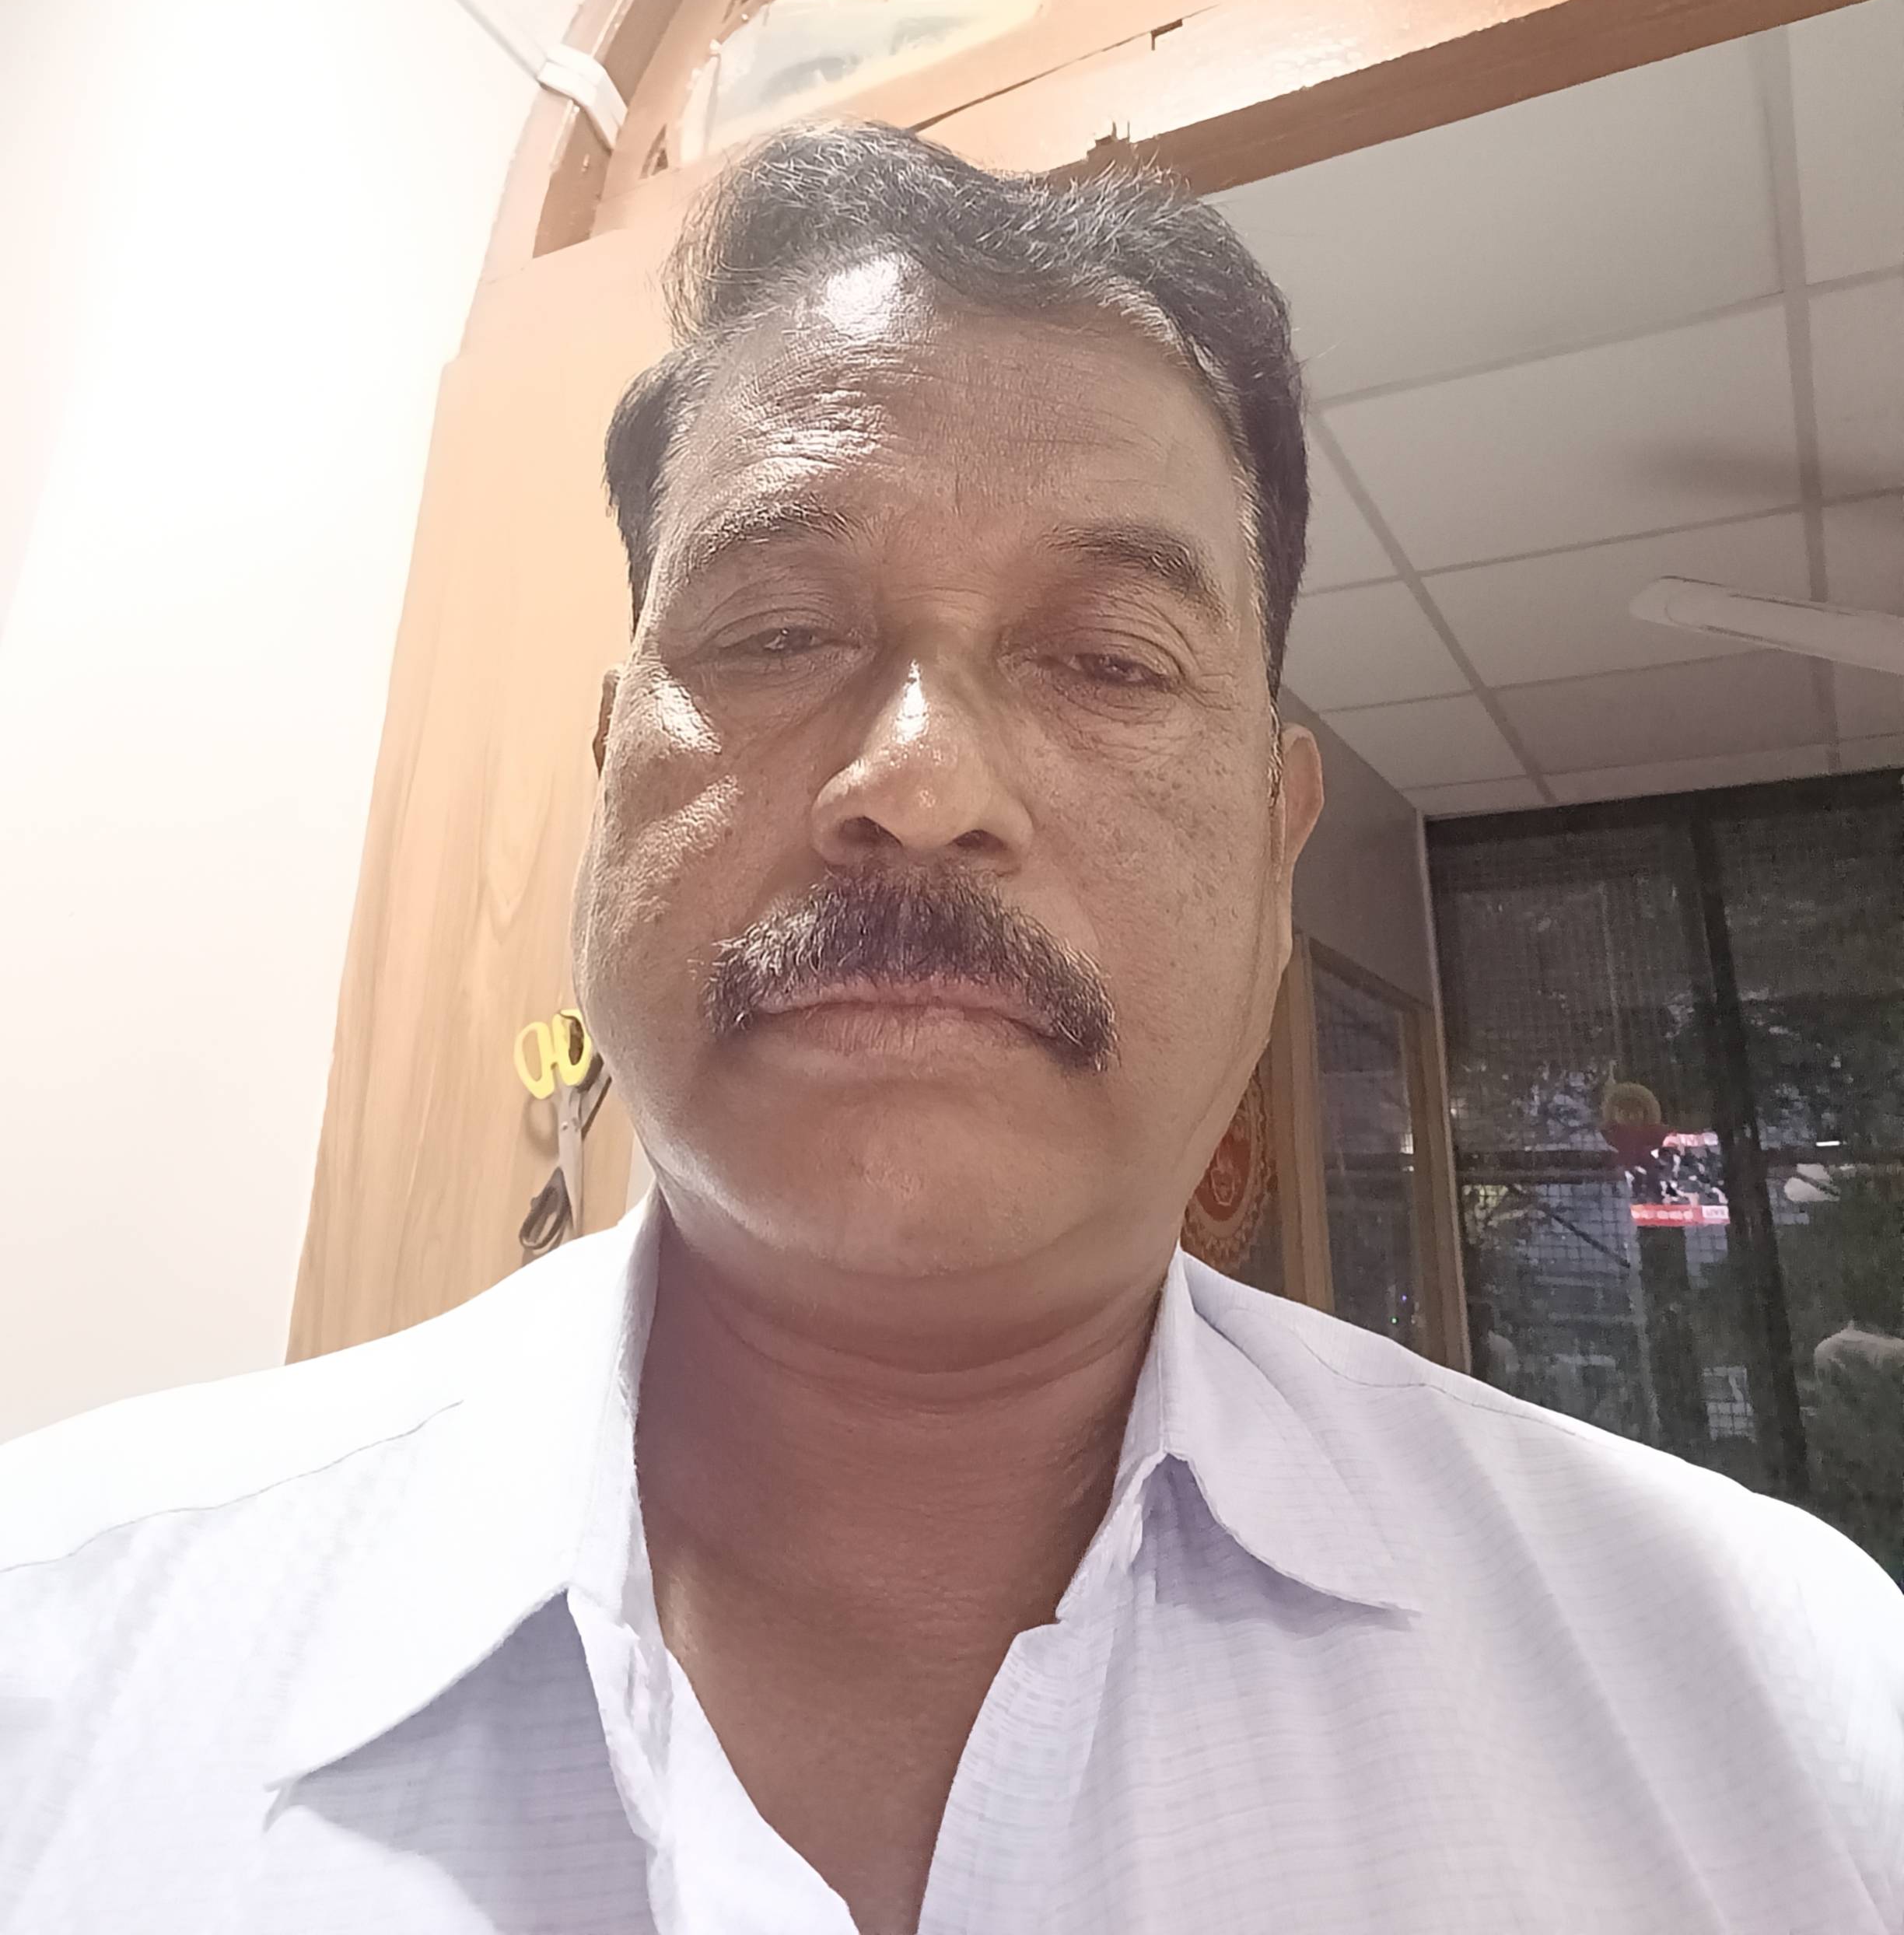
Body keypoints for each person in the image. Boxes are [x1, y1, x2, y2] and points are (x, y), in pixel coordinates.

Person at [2, 124, 1899, 1935]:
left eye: (1108, 661)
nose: (917, 787)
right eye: (774, 634)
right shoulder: (65, 1655)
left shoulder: (1785, 1712)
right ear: (611, 779)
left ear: (1275, 844)